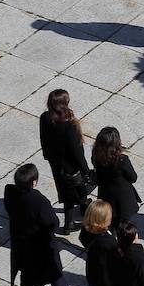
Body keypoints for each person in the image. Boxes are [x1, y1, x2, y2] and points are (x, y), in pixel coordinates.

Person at [4, 163, 81, 286]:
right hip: (41, 246)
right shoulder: (38, 200)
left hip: (22, 247)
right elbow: (53, 223)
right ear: (33, 183)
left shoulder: (10, 193)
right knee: (53, 267)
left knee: (27, 284)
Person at [38, 88, 91, 233]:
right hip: (70, 166)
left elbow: (43, 139)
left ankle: (82, 207)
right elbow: (76, 152)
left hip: (55, 163)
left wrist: (47, 155)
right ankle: (69, 224)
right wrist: (86, 170)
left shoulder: (44, 118)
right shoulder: (69, 126)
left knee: (66, 191)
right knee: (76, 188)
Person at [92, 126, 140, 227]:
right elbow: (133, 178)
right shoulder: (122, 160)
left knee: (110, 223)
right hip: (122, 199)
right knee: (123, 225)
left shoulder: (96, 156)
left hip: (106, 195)